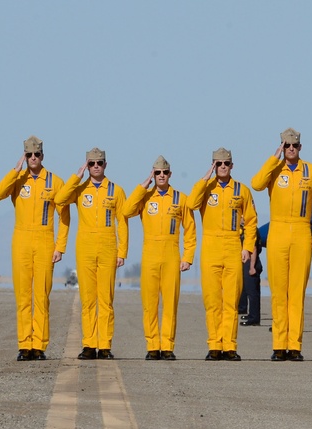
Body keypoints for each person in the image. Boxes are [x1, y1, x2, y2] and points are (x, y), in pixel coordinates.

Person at [0, 136, 70, 361]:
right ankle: (24, 345)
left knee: (41, 295)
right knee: (23, 295)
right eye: (28, 155)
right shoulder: (18, 179)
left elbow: (64, 216)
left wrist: (60, 247)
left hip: (45, 241)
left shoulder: (55, 182)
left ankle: (39, 346)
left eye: (36, 155)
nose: (33, 158)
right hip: (21, 241)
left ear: (42, 156)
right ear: (24, 156)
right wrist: (14, 171)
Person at [251, 128, 312, 362]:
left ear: (300, 147)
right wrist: (274, 159)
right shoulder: (275, 169)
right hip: (278, 231)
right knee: (278, 292)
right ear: (281, 147)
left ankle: (294, 345)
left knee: (296, 293)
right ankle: (279, 345)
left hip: (302, 231)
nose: (290, 149)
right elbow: (256, 184)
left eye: (294, 146)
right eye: (286, 146)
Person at [54, 147, 128, 360]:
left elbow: (122, 223)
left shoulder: (116, 190)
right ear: (86, 165)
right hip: (85, 247)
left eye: (100, 163)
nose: (96, 166)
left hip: (108, 247)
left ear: (106, 164)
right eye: (91, 163)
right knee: (87, 299)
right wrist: (76, 177)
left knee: (106, 299)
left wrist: (122, 251)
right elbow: (60, 200)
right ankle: (89, 344)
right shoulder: (79, 189)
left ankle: (104, 345)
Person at [122, 156, 196, 361]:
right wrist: (142, 186)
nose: (161, 176)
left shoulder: (181, 199)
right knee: (150, 302)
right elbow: (126, 211)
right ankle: (153, 345)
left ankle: (168, 346)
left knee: (170, 303)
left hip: (171, 252)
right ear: (152, 174)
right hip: (150, 253)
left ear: (170, 174)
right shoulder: (145, 197)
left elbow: (190, 230)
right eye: (157, 173)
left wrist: (188, 257)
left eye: (164, 173)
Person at [188, 148, 257, 361]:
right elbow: (190, 204)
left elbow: (252, 220)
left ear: (232, 165)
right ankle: (214, 346)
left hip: (233, 245)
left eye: (226, 163)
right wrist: (204, 178)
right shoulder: (206, 188)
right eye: (218, 164)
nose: (222, 167)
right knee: (212, 300)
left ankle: (230, 346)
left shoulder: (241, 190)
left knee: (231, 300)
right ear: (213, 166)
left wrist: (247, 247)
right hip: (210, 247)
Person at [239, 236, 264, 326]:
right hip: (248, 262)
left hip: (251, 262)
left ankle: (254, 318)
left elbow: (253, 248)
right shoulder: (245, 230)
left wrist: (252, 267)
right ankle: (248, 312)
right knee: (246, 289)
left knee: (252, 292)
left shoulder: (251, 232)